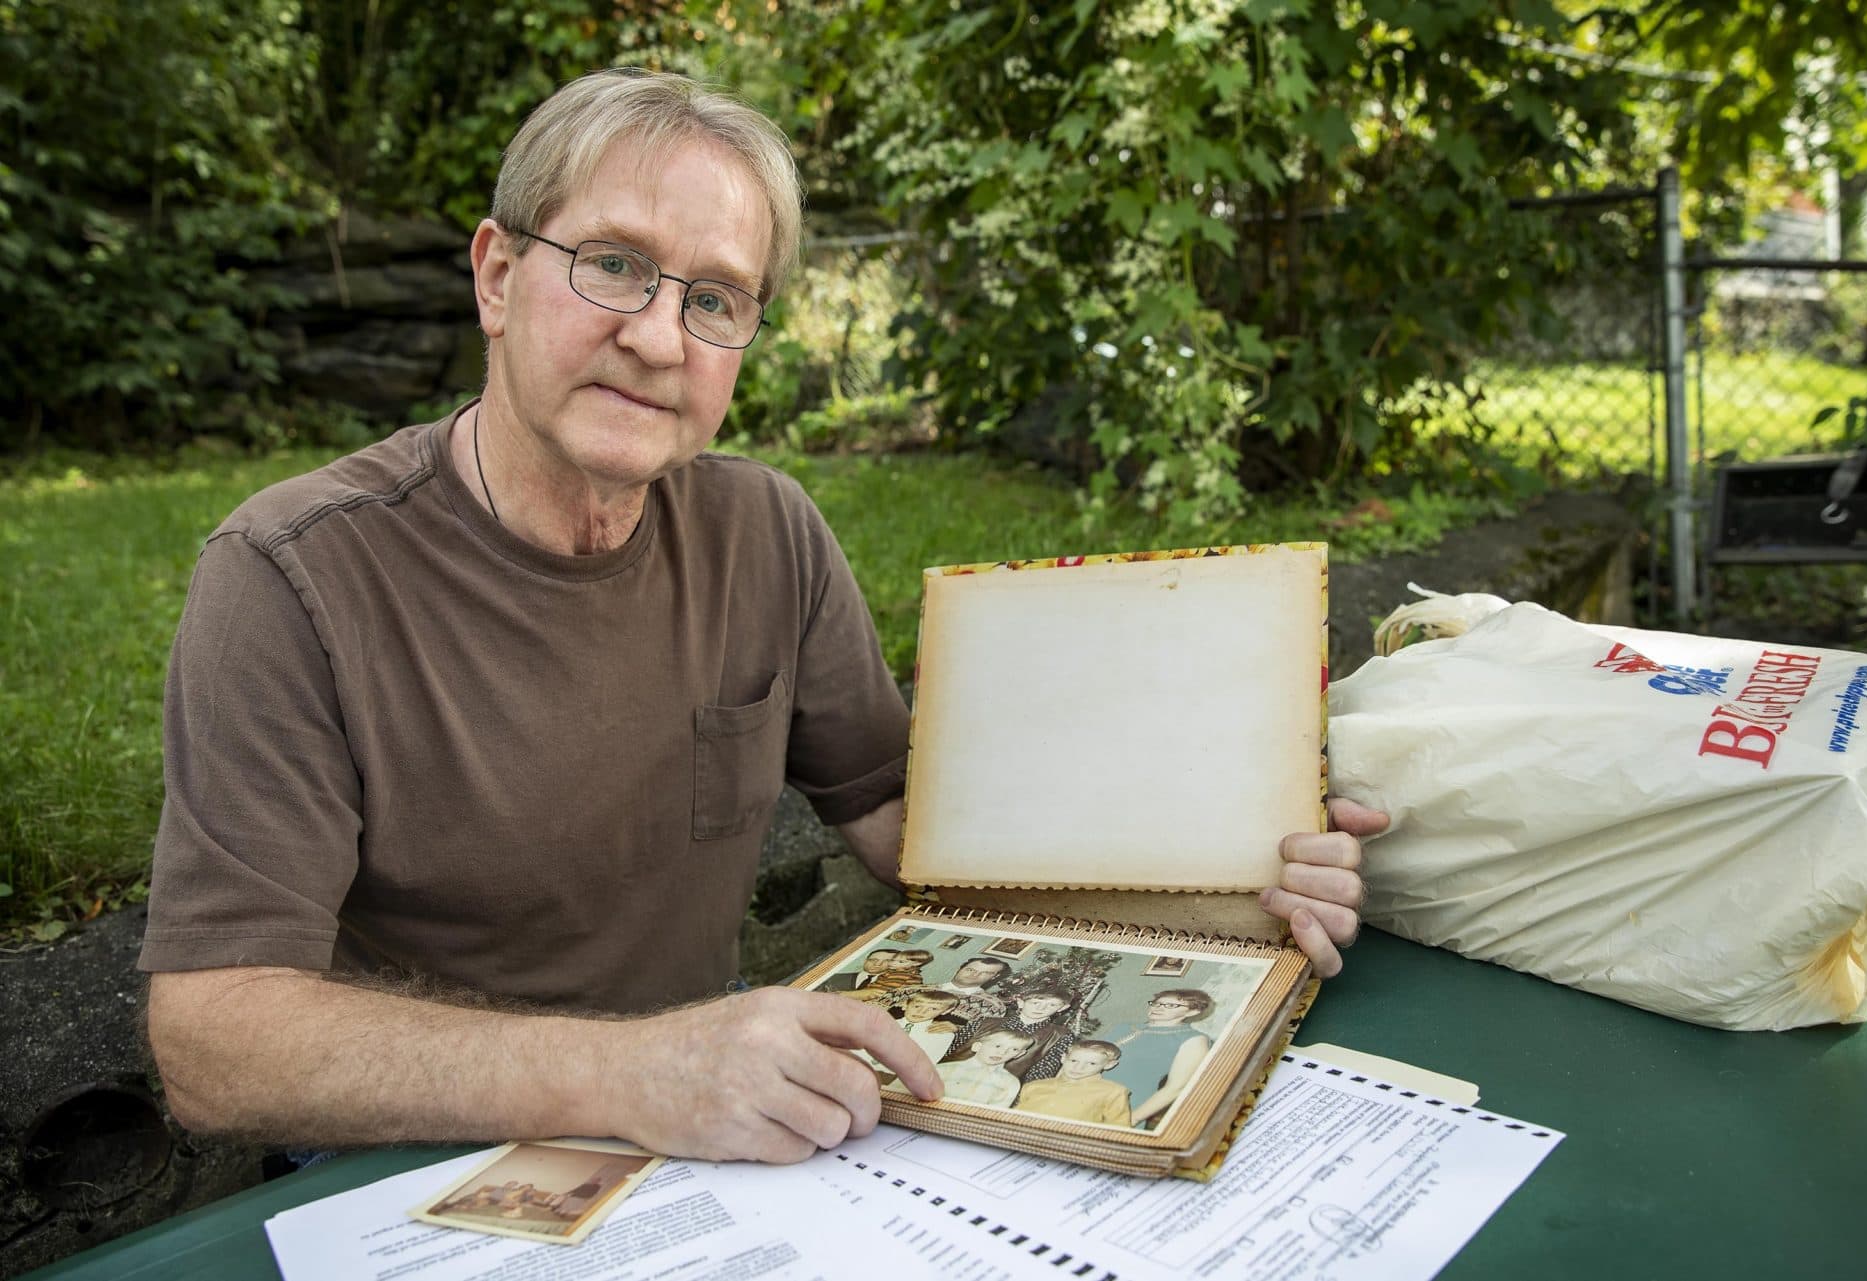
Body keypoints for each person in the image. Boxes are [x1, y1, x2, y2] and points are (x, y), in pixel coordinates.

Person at [138, 66, 1379, 1168]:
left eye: (716, 299)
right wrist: (633, 1075)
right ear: (500, 277)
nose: (657, 338)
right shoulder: (289, 574)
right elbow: (212, 1038)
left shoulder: (765, 531)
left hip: (722, 1114)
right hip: (417, 1162)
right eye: (614, 264)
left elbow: (913, 832)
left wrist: (1227, 877)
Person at [1103, 989, 1216, 1129]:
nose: (1158, 1008)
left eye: (1170, 1005)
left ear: (1193, 1012)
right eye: (1156, 1003)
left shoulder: (1194, 1039)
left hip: (1122, 1106)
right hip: (1081, 1093)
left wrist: (1132, 1118)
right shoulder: (1123, 1027)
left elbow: (1176, 1088)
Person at [944, 987, 1078, 1083]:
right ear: (1020, 1002)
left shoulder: (1061, 1035)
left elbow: (1043, 1071)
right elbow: (952, 1050)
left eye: (1051, 1005)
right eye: (1035, 1002)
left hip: (1002, 1087)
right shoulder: (985, 1021)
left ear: (1062, 1008)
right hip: (953, 1077)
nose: (1041, 1009)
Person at [1013, 1041, 1131, 1126]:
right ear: (1064, 1058)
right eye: (1074, 1060)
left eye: (1092, 1064)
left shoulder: (1113, 1091)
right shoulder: (1035, 1086)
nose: (1079, 1067)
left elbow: (1119, 1128)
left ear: (1109, 1065)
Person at [934, 1030, 1034, 1108]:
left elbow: (995, 1114)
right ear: (977, 1046)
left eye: (1014, 1049)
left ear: (1020, 1054)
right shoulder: (943, 1069)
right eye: (998, 1046)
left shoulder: (1010, 1082)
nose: (1002, 1052)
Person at [933, 955, 1012, 1024]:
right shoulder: (922, 989)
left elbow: (981, 1035)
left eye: (985, 973)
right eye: (970, 970)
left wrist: (957, 1028)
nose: (974, 975)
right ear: (959, 969)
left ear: (994, 977)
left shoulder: (994, 1006)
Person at [817, 948, 901, 994]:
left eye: (886, 961)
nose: (877, 964)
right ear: (865, 961)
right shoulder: (835, 978)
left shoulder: (895, 985)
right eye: (873, 960)